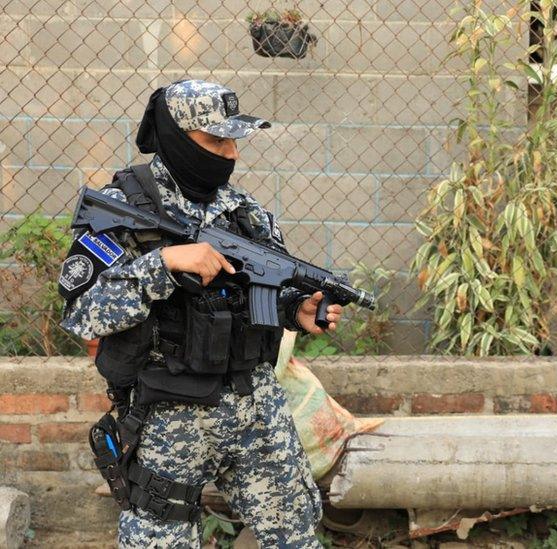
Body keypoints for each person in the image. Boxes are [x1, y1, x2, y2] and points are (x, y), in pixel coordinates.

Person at [58, 79, 343, 548]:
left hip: (257, 408)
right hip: (168, 416)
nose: (229, 153)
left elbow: (264, 294)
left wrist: (298, 310)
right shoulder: (124, 207)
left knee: (297, 537)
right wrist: (164, 264)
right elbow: (83, 314)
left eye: (234, 140)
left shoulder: (246, 213)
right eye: (214, 140)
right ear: (174, 137)